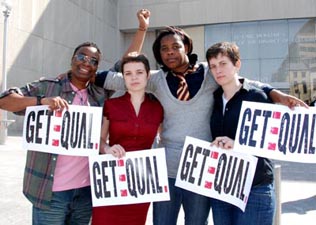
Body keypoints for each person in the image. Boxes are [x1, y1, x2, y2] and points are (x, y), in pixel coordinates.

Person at [95, 10, 306, 225]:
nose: (170, 52)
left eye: (175, 46)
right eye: (163, 49)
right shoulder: (155, 80)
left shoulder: (210, 73)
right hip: (166, 171)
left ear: (186, 46)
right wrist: (82, 76)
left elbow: (244, 81)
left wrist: (275, 93)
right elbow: (120, 74)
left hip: (201, 169)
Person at [0, 42, 107, 225]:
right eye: (82, 57)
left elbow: (127, 69)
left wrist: (141, 29)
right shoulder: (48, 87)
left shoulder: (99, 95)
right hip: (50, 193)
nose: (86, 63)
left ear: (97, 68)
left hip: (85, 193)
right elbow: (4, 101)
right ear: (72, 59)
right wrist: (41, 101)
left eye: (93, 60)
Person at [207, 42, 275, 225]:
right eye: (213, 66)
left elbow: (271, 141)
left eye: (223, 64)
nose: (218, 70)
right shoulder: (213, 99)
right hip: (223, 186)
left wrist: (236, 144)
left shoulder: (257, 97)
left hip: (255, 187)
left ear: (237, 64)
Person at [91, 53, 163, 225]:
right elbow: (99, 140)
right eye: (128, 73)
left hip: (141, 183)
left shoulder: (158, 108)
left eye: (139, 72)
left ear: (147, 75)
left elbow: (163, 139)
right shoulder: (111, 105)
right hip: (111, 179)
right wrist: (107, 148)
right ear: (123, 77)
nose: (134, 77)